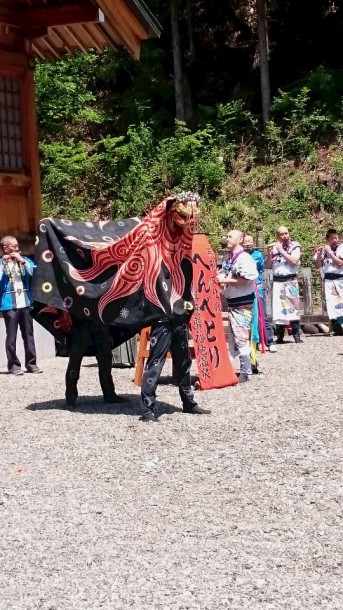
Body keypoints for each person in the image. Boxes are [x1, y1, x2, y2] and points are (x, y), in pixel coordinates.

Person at [140, 316, 210, 422]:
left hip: (180, 319)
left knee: (184, 363)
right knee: (155, 363)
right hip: (161, 320)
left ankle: (189, 403)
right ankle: (147, 410)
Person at [218, 230, 258, 382]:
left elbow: (246, 280)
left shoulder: (244, 258)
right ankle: (244, 369)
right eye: (226, 236)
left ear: (240, 239)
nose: (227, 239)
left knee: (240, 336)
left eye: (230, 236)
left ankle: (245, 371)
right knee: (236, 335)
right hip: (233, 302)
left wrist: (224, 281)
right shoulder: (230, 258)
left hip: (242, 302)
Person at [0, 235, 42, 375]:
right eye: (14, 246)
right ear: (6, 248)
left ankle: (32, 364)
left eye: (18, 246)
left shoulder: (24, 260)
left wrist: (22, 261)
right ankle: (14, 366)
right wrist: (3, 265)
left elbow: (34, 273)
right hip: (9, 305)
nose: (18, 248)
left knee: (29, 335)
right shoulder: (0, 262)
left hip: (25, 302)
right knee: (11, 337)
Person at [65, 317, 123, 409]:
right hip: (80, 319)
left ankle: (109, 393)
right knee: (75, 359)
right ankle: (70, 396)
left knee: (105, 357)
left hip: (100, 320)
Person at [265, 226, 302, 344]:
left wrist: (281, 250)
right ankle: (280, 335)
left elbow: (294, 261)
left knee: (293, 306)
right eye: (282, 234)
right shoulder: (275, 247)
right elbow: (268, 266)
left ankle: (296, 335)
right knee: (278, 308)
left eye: (286, 233)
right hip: (277, 280)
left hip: (290, 279)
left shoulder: (295, 245)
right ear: (277, 235)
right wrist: (270, 254)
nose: (285, 236)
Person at [243, 234, 277, 352]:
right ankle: (252, 342)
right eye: (245, 241)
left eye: (249, 241)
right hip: (243, 288)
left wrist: (269, 254)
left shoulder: (257, 255)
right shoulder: (238, 255)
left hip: (256, 286)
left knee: (262, 315)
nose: (247, 243)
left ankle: (269, 341)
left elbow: (263, 267)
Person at [314, 228, 343, 334]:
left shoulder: (340, 248)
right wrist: (318, 255)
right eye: (332, 238)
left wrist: (330, 252)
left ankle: (341, 325)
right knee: (331, 304)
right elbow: (317, 266)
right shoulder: (325, 250)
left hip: (339, 278)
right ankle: (337, 328)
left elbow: (340, 263)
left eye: (336, 237)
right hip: (328, 279)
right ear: (327, 239)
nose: (335, 240)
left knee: (341, 302)